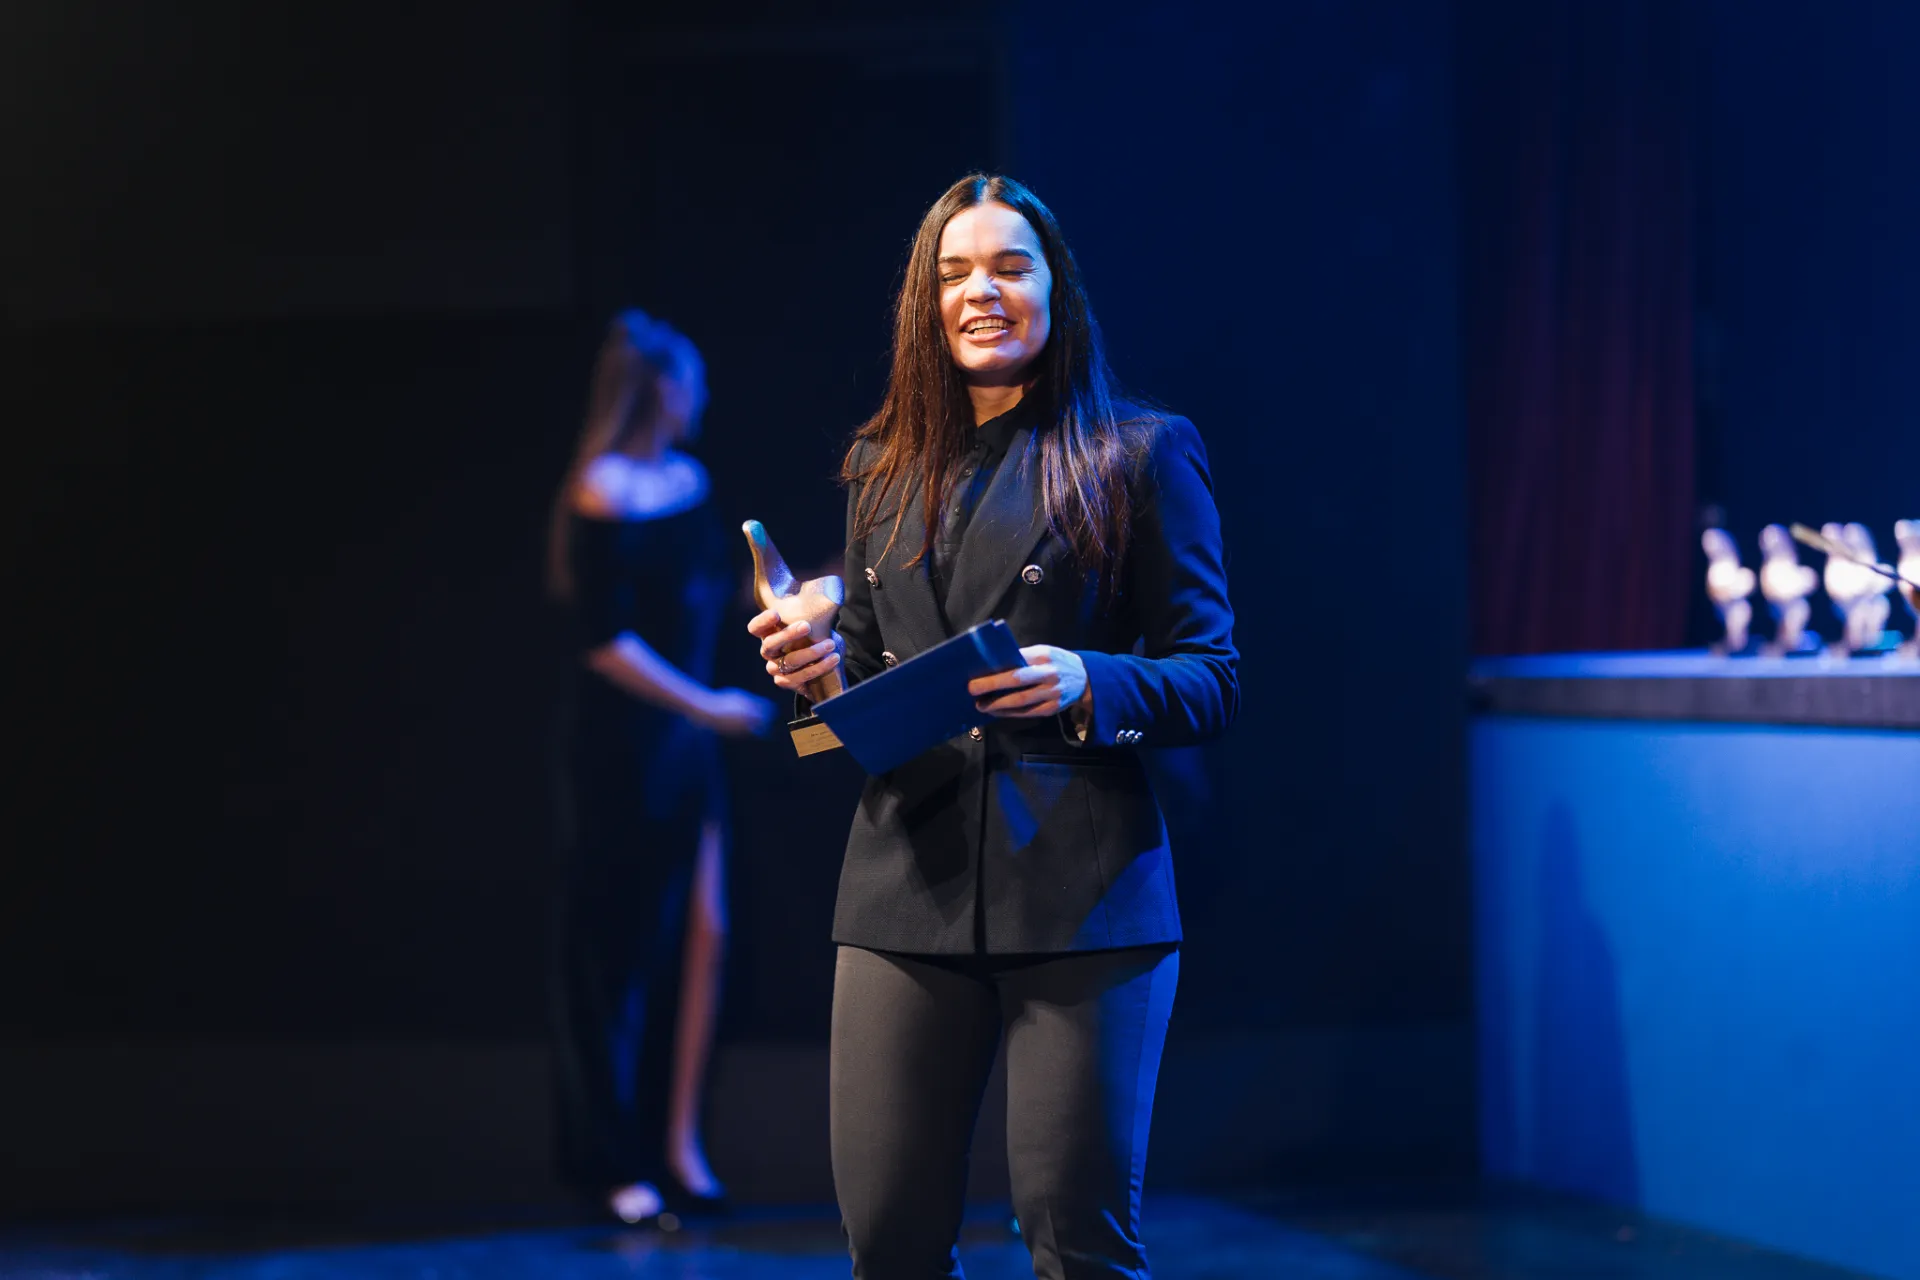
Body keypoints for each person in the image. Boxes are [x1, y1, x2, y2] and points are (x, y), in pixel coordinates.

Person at [748, 175, 1238, 1279]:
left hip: (1084, 896)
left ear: (1056, 289)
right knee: (889, 1239)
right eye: (955, 272)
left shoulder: (1138, 453)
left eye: (1011, 267)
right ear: (924, 304)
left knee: (1076, 1239)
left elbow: (1212, 678)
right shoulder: (879, 469)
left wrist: (1090, 680)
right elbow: (848, 707)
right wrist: (815, 678)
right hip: (902, 890)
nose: (982, 291)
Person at [548, 310, 775, 1224]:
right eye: (692, 380)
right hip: (622, 748)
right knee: (619, 951)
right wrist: (706, 705)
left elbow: (716, 593)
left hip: (687, 747)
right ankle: (614, 1161)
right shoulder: (600, 491)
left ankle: (680, 1143)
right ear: (659, 389)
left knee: (705, 933)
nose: (703, 396)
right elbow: (605, 641)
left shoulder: (691, 482)